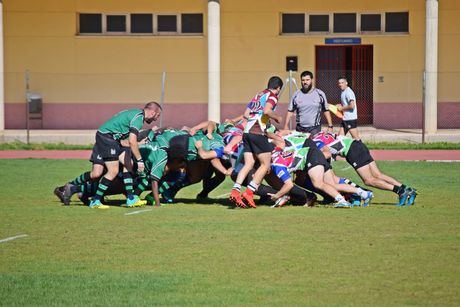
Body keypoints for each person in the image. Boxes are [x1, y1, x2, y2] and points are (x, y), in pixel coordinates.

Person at [86, 102, 162, 209]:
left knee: (128, 164)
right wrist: (140, 160)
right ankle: (95, 201)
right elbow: (132, 141)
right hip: (107, 137)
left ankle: (131, 199)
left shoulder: (137, 113)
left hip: (113, 139)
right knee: (113, 171)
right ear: (153, 112)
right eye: (157, 116)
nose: (156, 119)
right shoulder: (139, 118)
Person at [312, 131, 417, 206]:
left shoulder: (315, 143)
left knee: (368, 180)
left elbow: (327, 153)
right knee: (378, 175)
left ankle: (399, 191)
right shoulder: (320, 134)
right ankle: (407, 189)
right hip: (358, 144)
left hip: (352, 151)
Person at [229, 76, 284, 208]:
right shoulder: (272, 96)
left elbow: (246, 114)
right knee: (265, 164)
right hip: (257, 132)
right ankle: (249, 192)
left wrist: (260, 118)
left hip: (247, 132)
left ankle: (235, 191)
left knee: (249, 164)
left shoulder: (258, 95)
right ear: (278, 88)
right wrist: (277, 117)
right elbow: (267, 110)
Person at [284, 71, 334, 135]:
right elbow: (290, 111)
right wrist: (286, 125)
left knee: (313, 145)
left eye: (307, 80)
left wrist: (330, 126)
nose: (305, 82)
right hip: (300, 128)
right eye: (303, 80)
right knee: (300, 145)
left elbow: (326, 110)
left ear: (312, 80)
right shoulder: (296, 94)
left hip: (314, 128)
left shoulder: (320, 94)